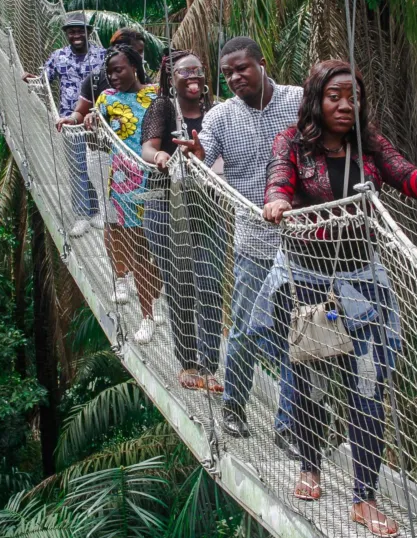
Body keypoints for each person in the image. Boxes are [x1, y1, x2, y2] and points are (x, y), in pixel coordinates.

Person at [257, 59, 417, 538]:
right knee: (310, 382)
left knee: (367, 387)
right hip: (307, 283)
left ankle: (364, 498)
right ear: (316, 100)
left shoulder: (370, 144)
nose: (346, 105)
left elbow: (406, 174)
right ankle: (310, 466)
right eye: (335, 97)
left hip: (362, 282)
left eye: (353, 97)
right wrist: (277, 200)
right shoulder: (292, 144)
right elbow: (279, 179)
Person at [173, 37, 300, 457]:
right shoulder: (221, 116)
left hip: (303, 243)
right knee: (246, 328)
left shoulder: (298, 101)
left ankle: (289, 424)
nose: (234, 78)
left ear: (262, 63)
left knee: (297, 334)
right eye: (227, 73)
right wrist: (196, 155)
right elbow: (203, 155)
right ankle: (233, 406)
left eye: (242, 68)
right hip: (254, 241)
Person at [141, 50, 224, 393]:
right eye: (184, 72)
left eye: (198, 70)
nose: (193, 77)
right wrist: (160, 155)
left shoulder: (216, 110)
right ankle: (188, 361)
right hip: (165, 202)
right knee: (179, 284)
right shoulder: (162, 107)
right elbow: (147, 148)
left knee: (210, 282)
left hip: (207, 205)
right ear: (171, 78)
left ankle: (210, 365)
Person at [79, 44, 162, 344]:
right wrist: (90, 124)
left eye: (119, 70)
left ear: (135, 67)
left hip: (158, 180)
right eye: (109, 72)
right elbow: (96, 139)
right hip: (125, 183)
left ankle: (155, 298)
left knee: (159, 251)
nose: (113, 77)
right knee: (139, 251)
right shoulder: (106, 98)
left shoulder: (157, 94)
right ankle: (148, 316)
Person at [24, 12, 106, 237]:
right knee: (77, 166)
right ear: (67, 35)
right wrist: (31, 79)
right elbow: (44, 80)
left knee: (96, 166)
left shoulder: (102, 56)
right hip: (69, 122)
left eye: (80, 31)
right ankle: (81, 216)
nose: (76, 35)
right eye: (71, 32)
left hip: (97, 121)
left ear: (89, 32)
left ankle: (97, 211)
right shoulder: (58, 57)